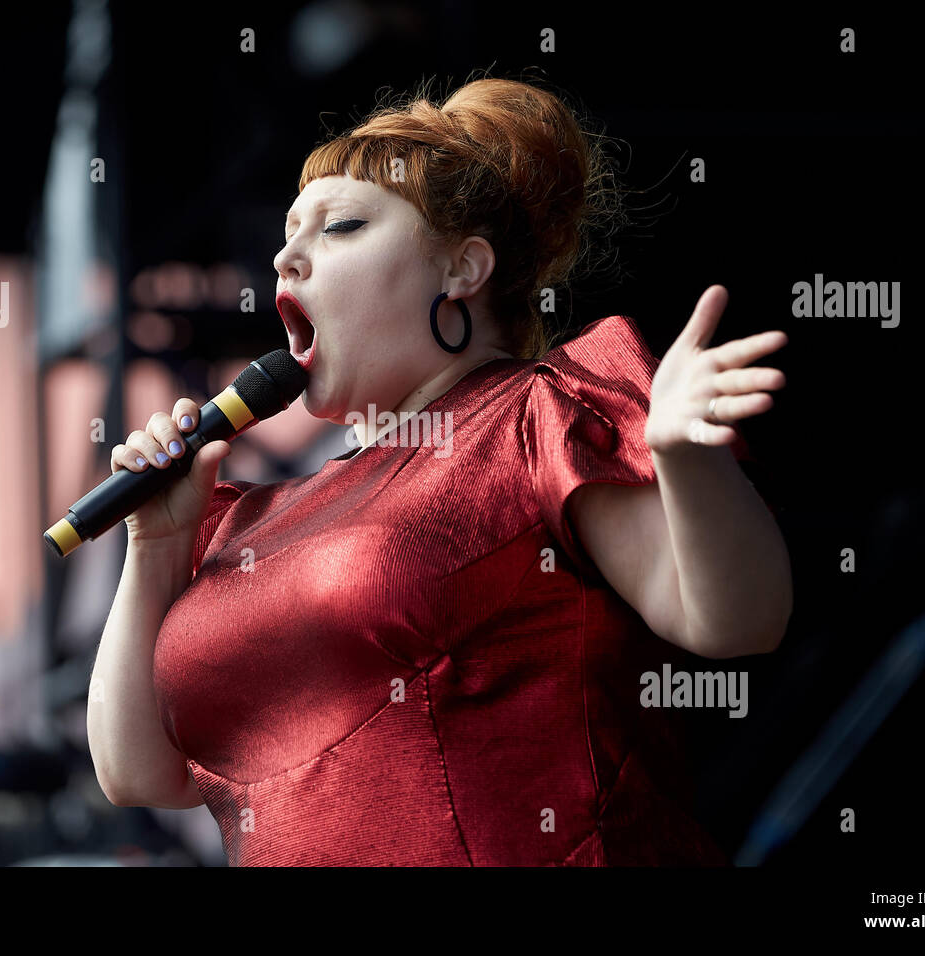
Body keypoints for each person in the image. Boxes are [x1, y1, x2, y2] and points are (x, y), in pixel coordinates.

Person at [87, 76, 793, 866]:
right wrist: (155, 542)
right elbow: (138, 773)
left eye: (340, 227)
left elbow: (736, 621)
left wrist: (686, 460)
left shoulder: (539, 413)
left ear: (462, 269)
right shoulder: (249, 520)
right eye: (288, 234)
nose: (286, 257)